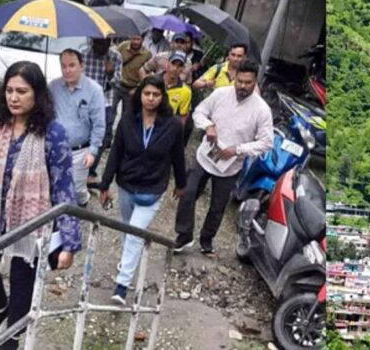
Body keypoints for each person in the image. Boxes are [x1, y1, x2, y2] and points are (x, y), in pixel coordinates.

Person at [0, 61, 81, 350]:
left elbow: (64, 187)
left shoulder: (52, 133)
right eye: (10, 90)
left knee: (22, 284)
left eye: (22, 92)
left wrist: (70, 241)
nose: (14, 98)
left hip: (30, 219)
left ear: (37, 94)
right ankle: (0, 307)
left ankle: (11, 339)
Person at [99, 75, 186, 304]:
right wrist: (105, 184)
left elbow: (178, 156)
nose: (150, 98)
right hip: (126, 184)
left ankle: (122, 285)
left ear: (162, 97)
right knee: (128, 229)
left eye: (156, 94)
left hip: (153, 189)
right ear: (140, 95)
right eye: (147, 93)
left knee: (135, 234)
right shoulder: (128, 119)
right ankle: (128, 262)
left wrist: (181, 184)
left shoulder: (173, 125)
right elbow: (116, 152)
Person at [173, 60, 273, 254]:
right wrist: (208, 126)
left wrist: (238, 149)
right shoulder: (220, 94)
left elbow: (266, 142)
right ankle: (184, 235)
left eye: (248, 83)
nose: (242, 86)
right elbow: (199, 112)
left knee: (218, 206)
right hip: (205, 156)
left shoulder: (262, 110)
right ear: (235, 78)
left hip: (230, 166)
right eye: (240, 81)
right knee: (187, 193)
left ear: (255, 82)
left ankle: (207, 239)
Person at [50, 49, 106, 207]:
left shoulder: (94, 90)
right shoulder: (53, 87)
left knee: (76, 191)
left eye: (72, 65)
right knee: (56, 187)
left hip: (80, 150)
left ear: (82, 66)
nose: (67, 70)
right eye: (63, 66)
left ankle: (83, 203)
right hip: (57, 148)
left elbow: (99, 124)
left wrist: (93, 151)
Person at [82, 37, 122, 186]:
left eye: (106, 43)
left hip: (106, 101)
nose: (103, 47)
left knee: (103, 137)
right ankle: (80, 167)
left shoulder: (115, 56)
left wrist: (110, 73)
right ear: (93, 42)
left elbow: (118, 83)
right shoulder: (83, 55)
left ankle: (91, 170)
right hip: (86, 101)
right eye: (99, 43)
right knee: (84, 134)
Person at [114, 34, 152, 123]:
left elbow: (147, 74)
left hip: (132, 88)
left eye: (138, 39)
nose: (136, 42)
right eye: (134, 39)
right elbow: (114, 59)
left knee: (126, 116)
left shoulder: (147, 54)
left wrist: (138, 88)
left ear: (142, 40)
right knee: (110, 112)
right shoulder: (123, 47)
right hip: (118, 85)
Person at [162, 51, 192, 124]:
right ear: (167, 63)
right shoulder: (152, 81)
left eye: (179, 66)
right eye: (173, 64)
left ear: (183, 68)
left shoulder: (186, 92)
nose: (175, 68)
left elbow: (183, 117)